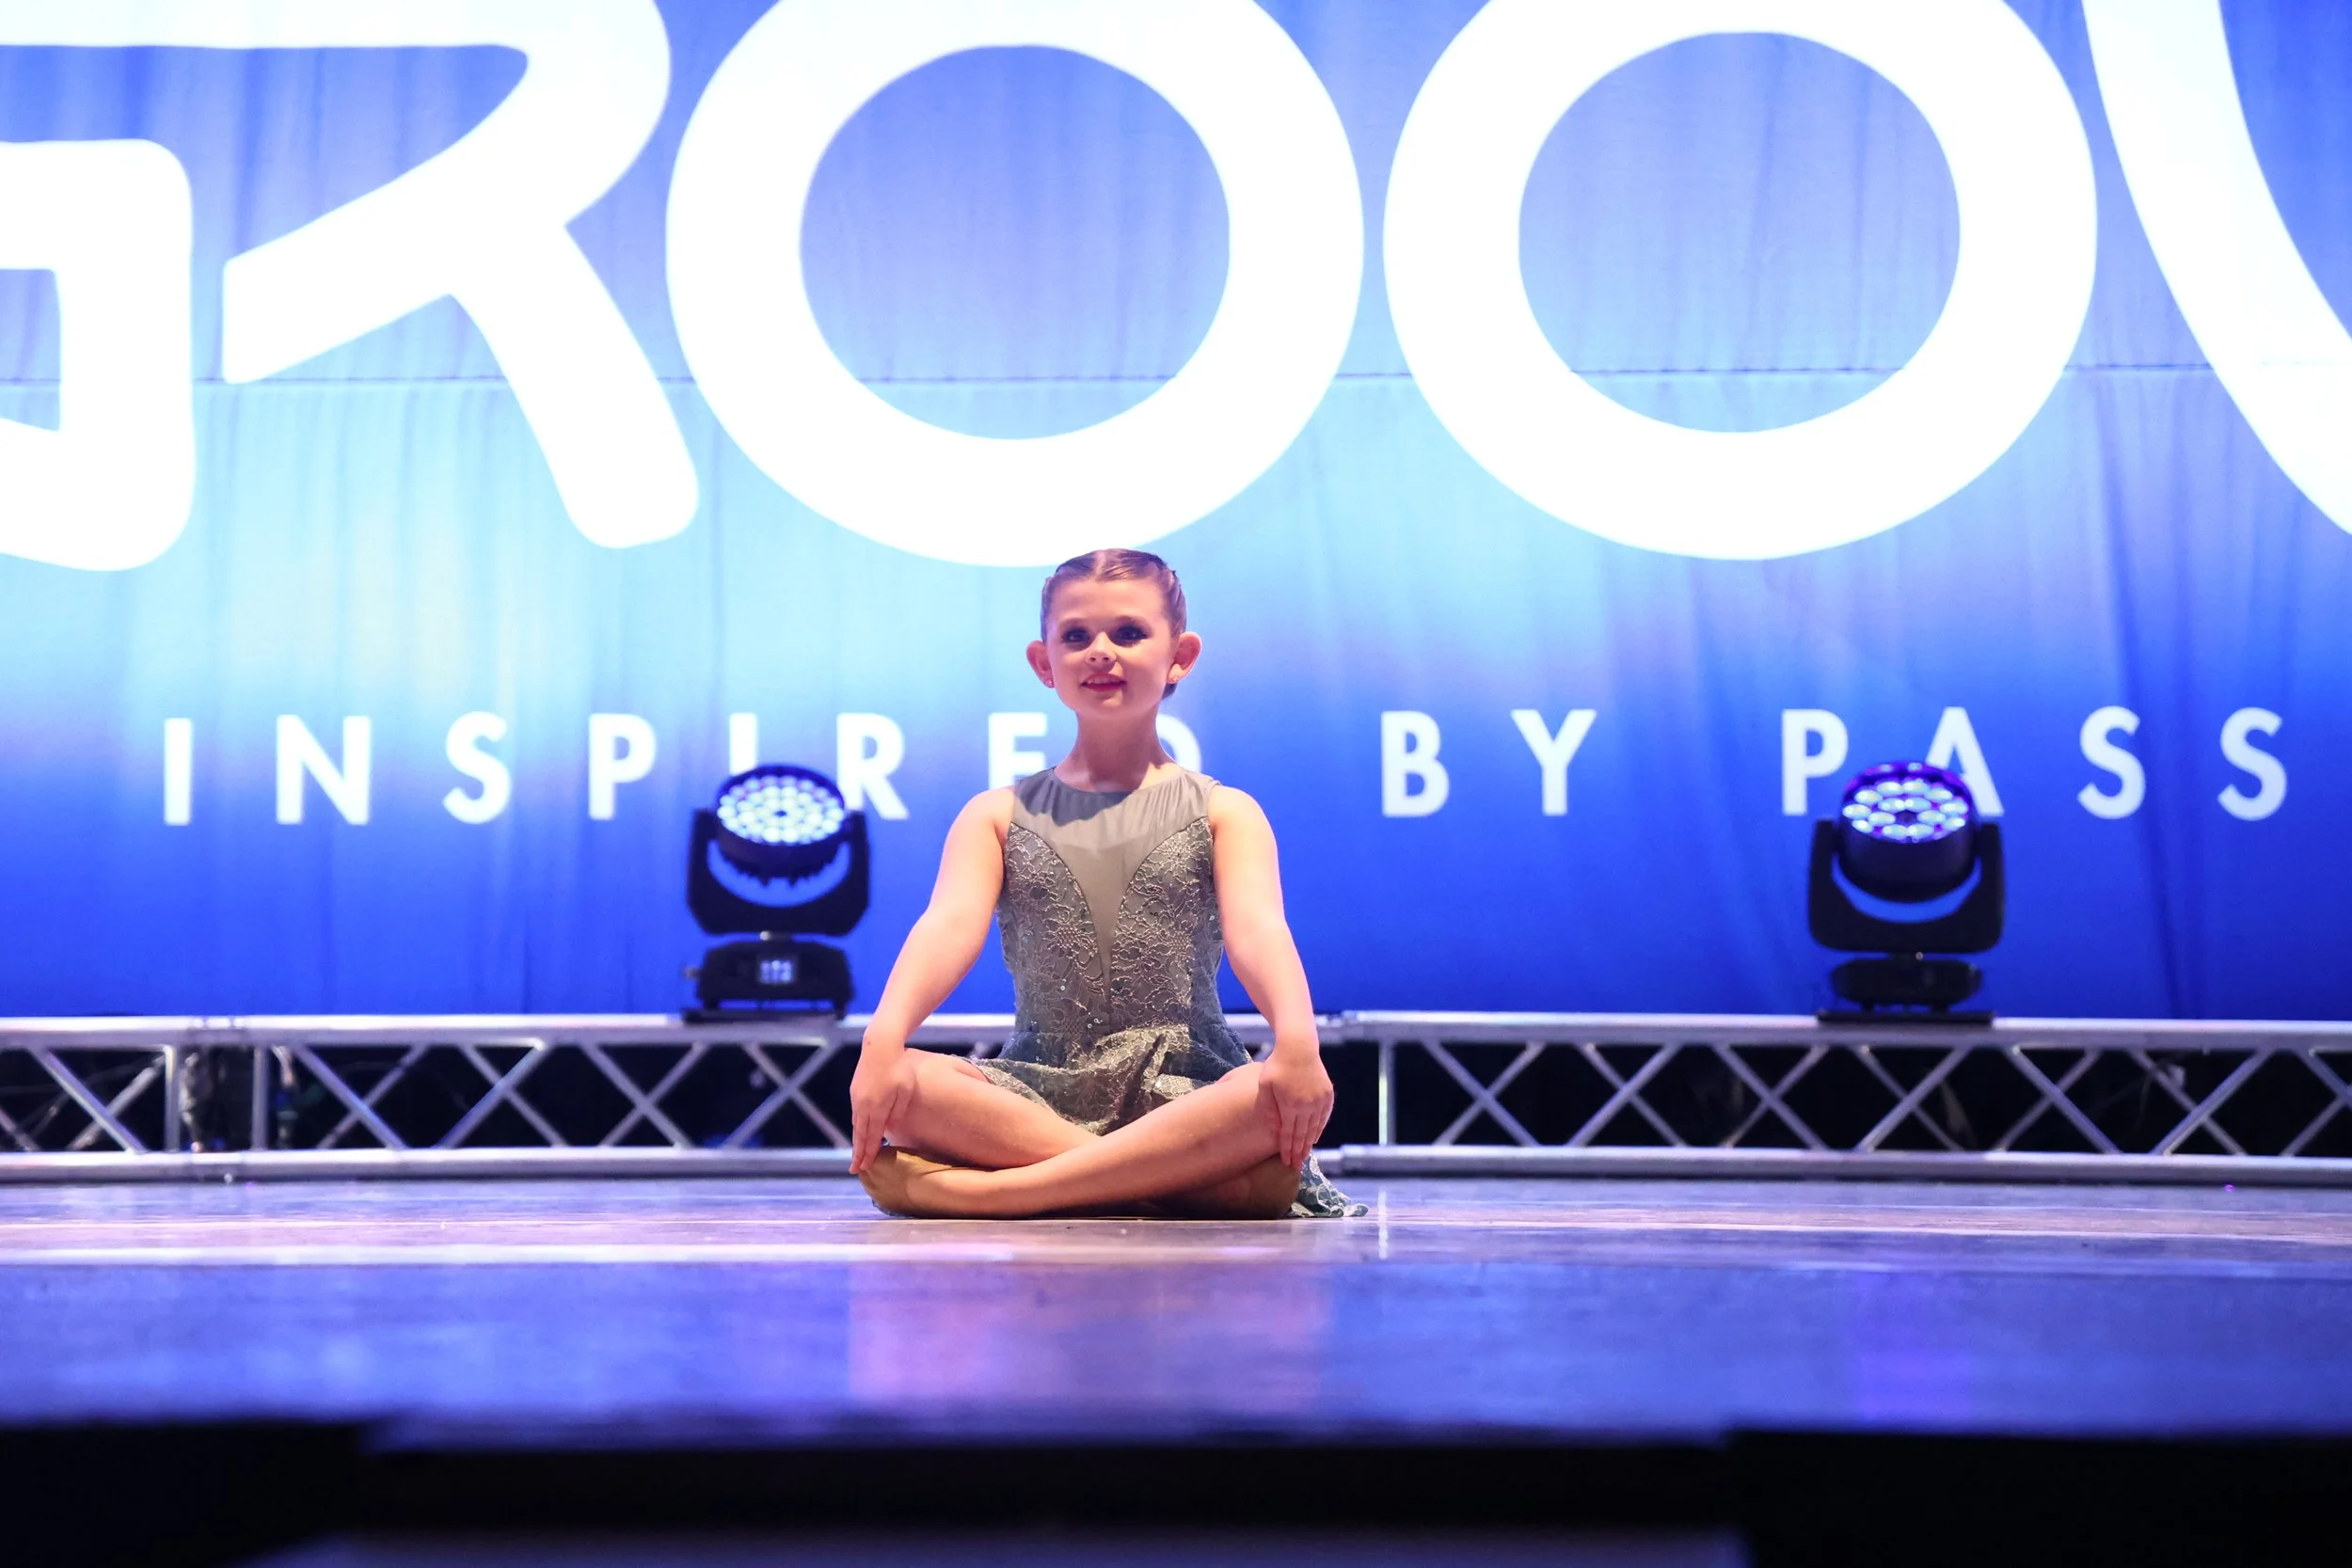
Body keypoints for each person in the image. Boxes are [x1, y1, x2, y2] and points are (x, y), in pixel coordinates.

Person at [850, 548, 1355, 1219]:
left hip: (1188, 1087)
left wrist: (1298, 1040)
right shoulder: (996, 816)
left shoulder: (1226, 812)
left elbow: (1258, 931)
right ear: (1043, 661)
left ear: (1181, 654)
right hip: (1036, 1087)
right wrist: (882, 1039)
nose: (1101, 652)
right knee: (908, 1083)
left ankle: (1004, 1192)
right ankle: (1177, 1182)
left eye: (1129, 632)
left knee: (1260, 1092)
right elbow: (947, 927)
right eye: (1077, 636)